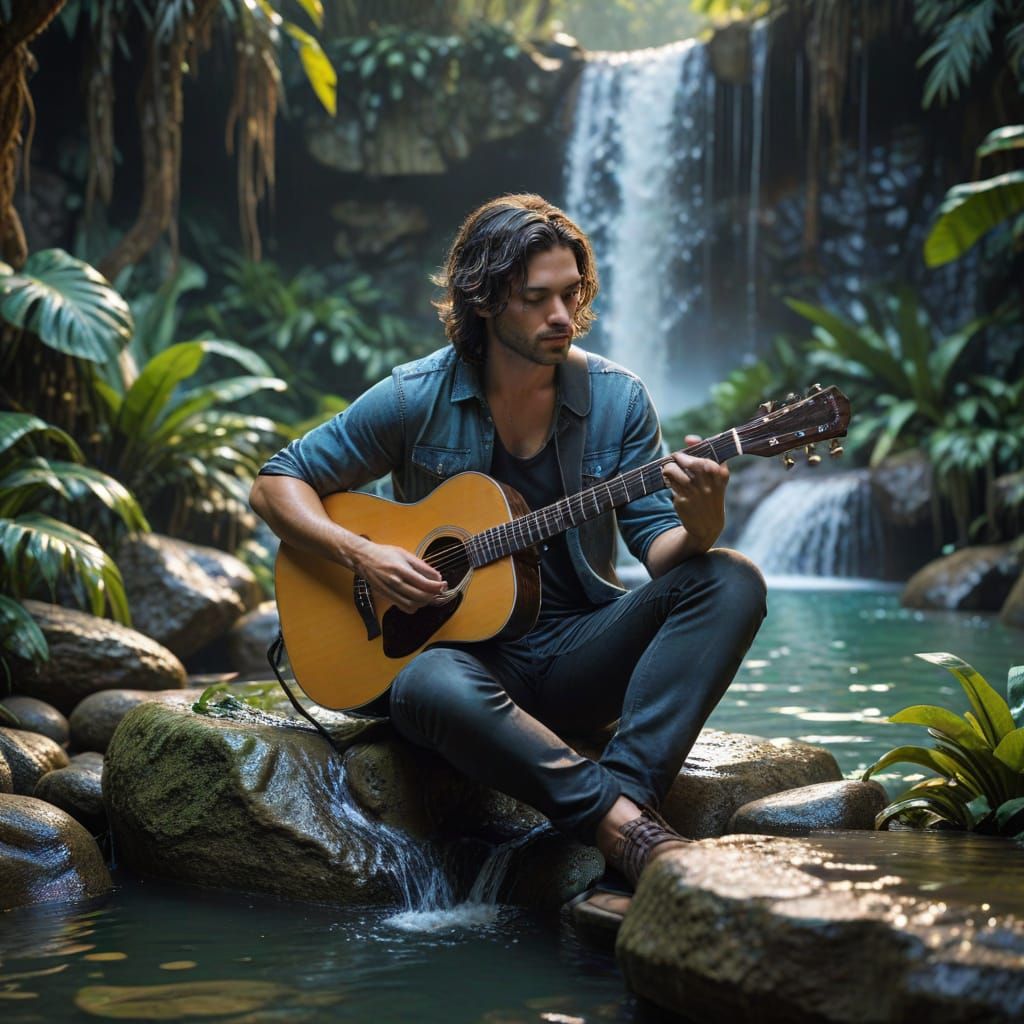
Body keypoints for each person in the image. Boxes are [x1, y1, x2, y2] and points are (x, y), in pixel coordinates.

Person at [249, 194, 766, 889]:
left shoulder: (617, 400)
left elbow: (662, 549)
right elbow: (278, 482)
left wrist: (703, 522)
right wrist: (363, 552)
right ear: (485, 300)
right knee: (423, 682)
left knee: (730, 578)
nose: (562, 316)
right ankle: (626, 830)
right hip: (459, 668)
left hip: (578, 651)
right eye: (537, 299)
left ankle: (622, 808)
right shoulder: (416, 396)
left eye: (572, 294)